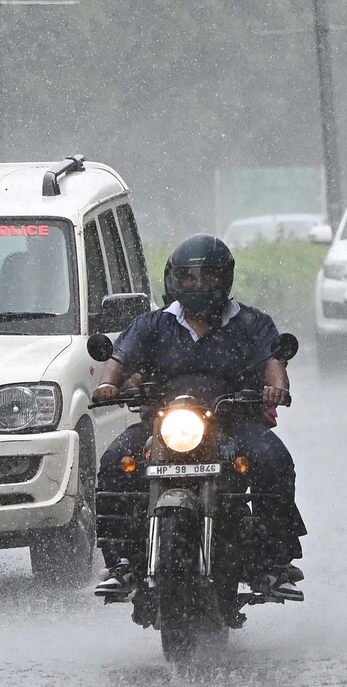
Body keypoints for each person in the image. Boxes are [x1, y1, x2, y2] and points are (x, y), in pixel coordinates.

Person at [91, 233, 307, 603]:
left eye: (208, 276)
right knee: (114, 463)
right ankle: (123, 562)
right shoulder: (152, 324)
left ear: (225, 279)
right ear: (175, 280)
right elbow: (118, 361)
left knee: (274, 460)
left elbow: (274, 364)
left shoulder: (252, 323)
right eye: (189, 278)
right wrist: (108, 386)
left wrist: (276, 388)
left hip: (234, 421)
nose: (198, 285)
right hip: (163, 424)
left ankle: (273, 563)